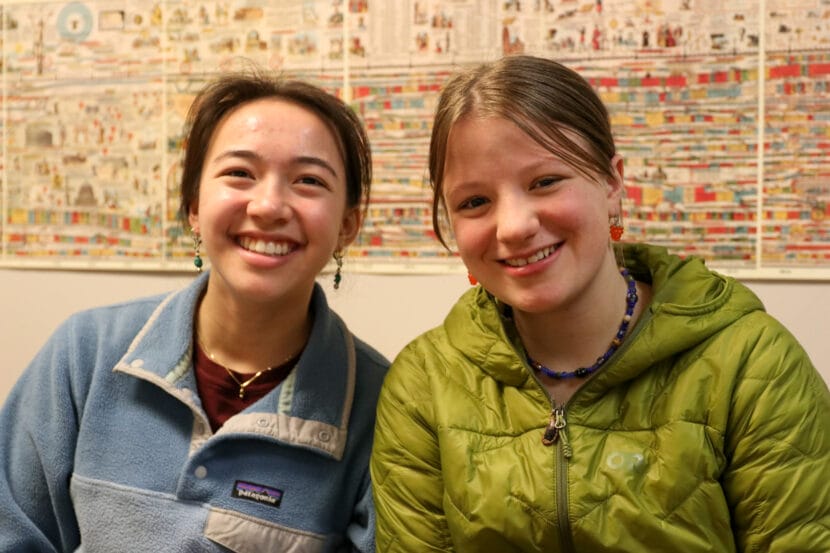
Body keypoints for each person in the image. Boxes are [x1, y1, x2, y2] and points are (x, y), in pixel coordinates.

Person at [370, 54, 830, 552]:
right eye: (474, 202)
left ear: (612, 184)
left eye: (544, 181)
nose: (514, 225)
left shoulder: (752, 365)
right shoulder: (422, 384)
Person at [0, 70, 389, 551]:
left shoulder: (383, 406)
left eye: (308, 180)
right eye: (239, 173)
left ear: (348, 225)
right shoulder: (85, 354)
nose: (268, 206)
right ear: (193, 207)